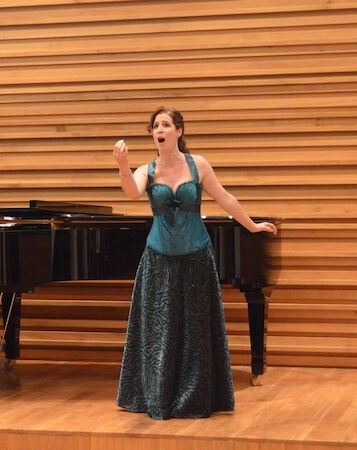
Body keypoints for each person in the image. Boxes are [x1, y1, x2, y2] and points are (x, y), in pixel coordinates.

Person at [112, 107, 277, 420]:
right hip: (158, 260)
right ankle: (158, 396)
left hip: (197, 256)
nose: (159, 130)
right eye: (155, 126)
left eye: (165, 125)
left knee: (196, 331)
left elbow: (225, 198)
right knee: (160, 331)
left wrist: (252, 226)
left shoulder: (198, 164)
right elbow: (132, 191)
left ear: (178, 130)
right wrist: (123, 166)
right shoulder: (147, 169)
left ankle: (196, 398)